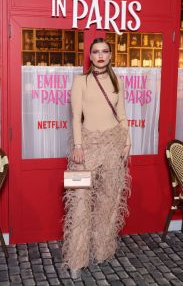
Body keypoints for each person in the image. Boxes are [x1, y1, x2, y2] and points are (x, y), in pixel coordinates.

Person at [62, 37, 131, 279]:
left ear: (110, 55)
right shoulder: (80, 81)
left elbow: (122, 115)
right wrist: (78, 146)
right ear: (89, 56)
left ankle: (102, 251)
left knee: (109, 201)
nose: (100, 55)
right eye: (96, 52)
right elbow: (75, 116)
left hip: (114, 144)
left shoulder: (117, 80)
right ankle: (76, 259)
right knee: (79, 202)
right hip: (87, 147)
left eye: (105, 51)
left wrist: (127, 140)